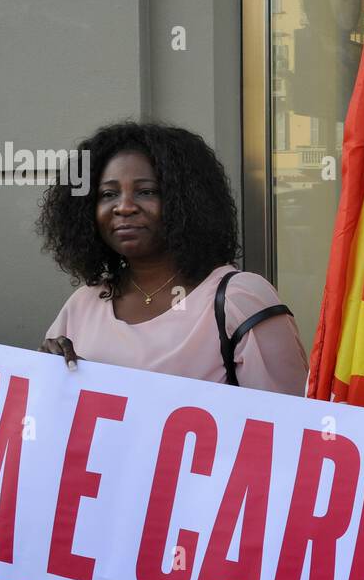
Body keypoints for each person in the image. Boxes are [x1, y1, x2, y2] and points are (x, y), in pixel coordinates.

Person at [36, 121, 309, 394]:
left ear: (187, 201)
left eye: (146, 191)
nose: (124, 207)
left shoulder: (239, 299)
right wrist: (48, 371)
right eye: (108, 194)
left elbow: (289, 424)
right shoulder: (84, 304)